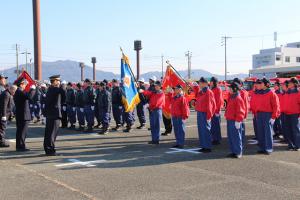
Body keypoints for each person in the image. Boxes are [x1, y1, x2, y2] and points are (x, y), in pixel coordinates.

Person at [251, 78, 280, 155]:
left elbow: (276, 106)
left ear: (266, 84)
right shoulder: (258, 93)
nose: (259, 85)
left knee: (267, 132)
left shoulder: (271, 93)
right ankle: (262, 147)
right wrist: (255, 112)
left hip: (267, 115)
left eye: (261, 83)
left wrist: (274, 117)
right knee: (260, 132)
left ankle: (268, 148)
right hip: (259, 114)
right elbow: (254, 103)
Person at [43, 75, 65, 156]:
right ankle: (50, 150)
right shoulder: (56, 89)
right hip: (54, 114)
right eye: (58, 81)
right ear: (55, 81)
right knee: (52, 133)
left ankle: (47, 149)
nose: (59, 82)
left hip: (50, 114)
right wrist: (61, 86)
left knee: (49, 133)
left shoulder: (50, 89)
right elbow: (64, 94)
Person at [193, 77, 216, 153]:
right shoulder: (202, 91)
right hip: (200, 112)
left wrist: (209, 115)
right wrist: (195, 87)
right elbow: (197, 96)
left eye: (200, 83)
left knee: (206, 130)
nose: (199, 84)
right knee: (201, 130)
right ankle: (203, 146)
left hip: (205, 113)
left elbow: (211, 104)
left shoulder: (208, 92)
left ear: (205, 83)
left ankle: (207, 147)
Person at [225, 82, 246, 158]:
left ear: (234, 89)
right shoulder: (231, 97)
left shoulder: (238, 98)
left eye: (230, 88)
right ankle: (233, 151)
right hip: (230, 119)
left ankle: (238, 152)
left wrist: (238, 120)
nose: (229, 89)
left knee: (236, 136)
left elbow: (241, 111)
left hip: (235, 120)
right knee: (231, 137)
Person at [14, 79, 31, 151]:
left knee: (20, 131)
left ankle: (19, 146)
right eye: (24, 84)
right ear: (21, 84)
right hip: (23, 115)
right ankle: (21, 146)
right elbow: (29, 97)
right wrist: (32, 89)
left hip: (20, 114)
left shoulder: (18, 92)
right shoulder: (20, 92)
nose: (25, 85)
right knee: (22, 131)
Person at [283, 78, 300, 151]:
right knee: (288, 130)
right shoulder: (287, 92)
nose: (288, 84)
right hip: (286, 113)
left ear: (294, 84)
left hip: (294, 114)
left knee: (295, 130)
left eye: (290, 83)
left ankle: (297, 145)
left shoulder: (298, 92)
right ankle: (290, 145)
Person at [233, 78, 249, 144]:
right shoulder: (237, 92)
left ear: (240, 84)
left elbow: (245, 105)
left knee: (240, 130)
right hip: (235, 114)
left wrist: (244, 116)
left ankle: (240, 144)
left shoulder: (242, 92)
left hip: (240, 115)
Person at [210, 77, 223, 145]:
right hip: (212, 110)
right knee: (213, 125)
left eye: (211, 82)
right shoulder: (212, 89)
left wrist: (217, 111)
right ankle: (214, 138)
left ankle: (217, 139)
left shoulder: (218, 89)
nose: (210, 83)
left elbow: (219, 101)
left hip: (216, 111)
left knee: (216, 125)